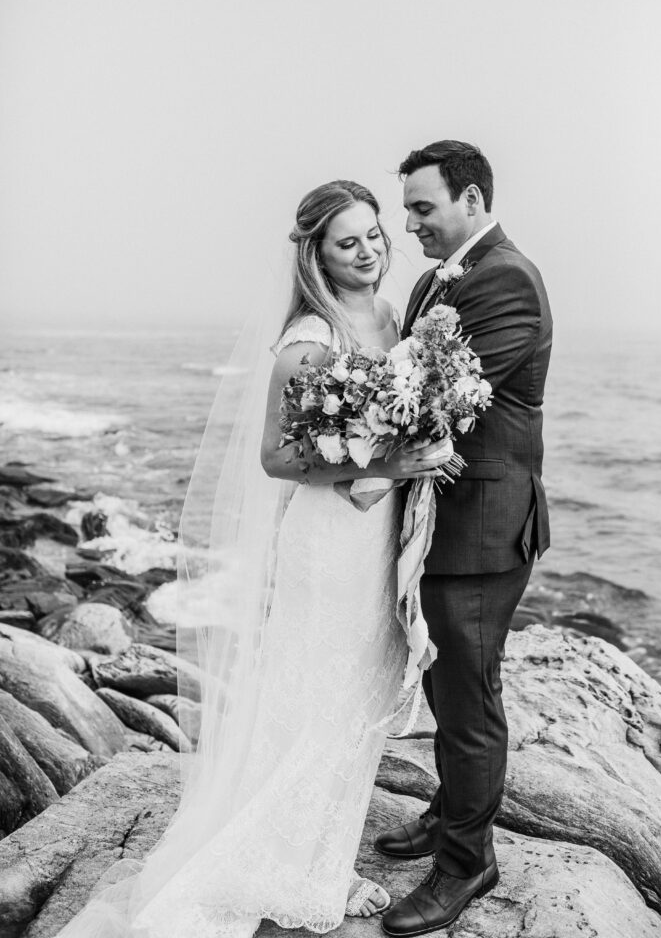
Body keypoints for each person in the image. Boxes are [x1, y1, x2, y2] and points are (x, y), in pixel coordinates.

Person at [55, 180, 449, 938]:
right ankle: (294, 866)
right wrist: (391, 466)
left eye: (373, 235)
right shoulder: (311, 333)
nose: (368, 250)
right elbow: (276, 457)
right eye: (348, 242)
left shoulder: (393, 316)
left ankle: (321, 855)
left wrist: (414, 451)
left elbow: (392, 425)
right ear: (317, 255)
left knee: (355, 700)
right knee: (313, 699)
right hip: (329, 544)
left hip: (377, 540)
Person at [375, 141, 553, 937]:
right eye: (407, 208)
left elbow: (436, 400)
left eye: (422, 208)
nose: (407, 224)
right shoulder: (433, 280)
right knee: (451, 687)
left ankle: (465, 863)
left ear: (472, 201)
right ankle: (449, 812)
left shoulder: (506, 279)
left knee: (468, 700)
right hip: (441, 519)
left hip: (481, 527)